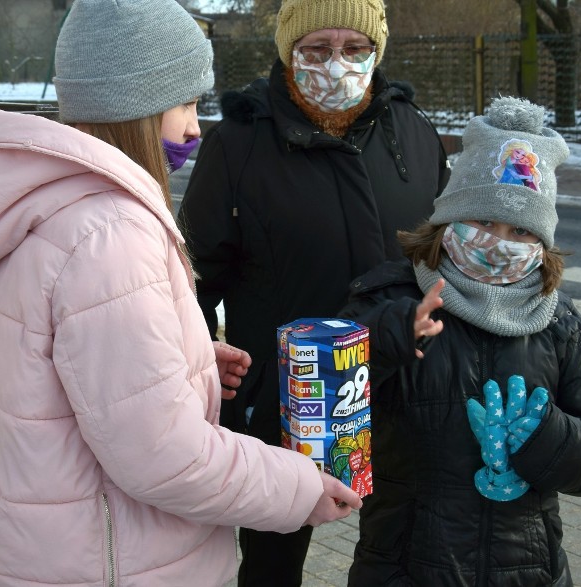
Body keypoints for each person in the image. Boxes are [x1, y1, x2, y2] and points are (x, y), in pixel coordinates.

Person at [0, 1, 362, 585]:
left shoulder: (33, 203)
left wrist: (186, 360)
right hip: (106, 561)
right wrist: (300, 488)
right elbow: (163, 456)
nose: (196, 127)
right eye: (185, 103)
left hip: (24, 549)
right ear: (135, 105)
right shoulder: (110, 231)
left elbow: (60, 373)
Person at [178, 0, 450, 583]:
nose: (337, 64)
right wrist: (204, 367)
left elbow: (446, 261)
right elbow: (192, 277)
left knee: (400, 555)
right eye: (316, 48)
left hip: (403, 393)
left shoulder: (415, 132)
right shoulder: (241, 142)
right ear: (287, 52)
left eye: (354, 48)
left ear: (377, 51)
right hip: (286, 404)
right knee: (273, 565)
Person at [338, 96, 581, 586]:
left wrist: (545, 435)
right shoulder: (387, 300)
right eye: (484, 222)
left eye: (519, 230)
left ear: (542, 241)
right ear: (449, 220)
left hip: (528, 571)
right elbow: (326, 404)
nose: (498, 241)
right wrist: (391, 337)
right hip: (403, 567)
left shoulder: (558, 322)